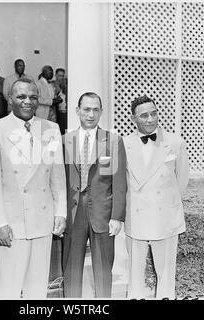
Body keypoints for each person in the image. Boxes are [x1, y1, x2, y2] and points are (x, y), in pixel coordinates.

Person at [0, 78, 67, 299]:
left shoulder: (51, 128)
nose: (28, 101)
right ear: (10, 99)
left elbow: (57, 176)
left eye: (33, 97)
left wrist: (61, 212)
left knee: (37, 290)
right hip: (11, 223)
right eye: (21, 97)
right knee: (7, 288)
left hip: (42, 219)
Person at [123, 95, 189, 299]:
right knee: (134, 273)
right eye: (144, 115)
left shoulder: (175, 142)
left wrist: (169, 205)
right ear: (133, 118)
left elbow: (182, 180)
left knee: (166, 273)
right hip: (137, 215)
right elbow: (117, 182)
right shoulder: (123, 144)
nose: (150, 119)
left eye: (154, 113)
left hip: (165, 216)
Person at [62, 92, 127, 298]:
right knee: (71, 269)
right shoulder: (65, 140)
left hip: (102, 212)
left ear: (101, 112)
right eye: (86, 109)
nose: (91, 114)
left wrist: (117, 216)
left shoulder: (113, 140)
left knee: (103, 269)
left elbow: (119, 182)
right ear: (77, 111)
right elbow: (58, 180)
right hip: (72, 212)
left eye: (95, 110)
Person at [51, 68, 67, 135]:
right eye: (59, 75)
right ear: (56, 75)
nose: (61, 77)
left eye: (62, 76)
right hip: (56, 112)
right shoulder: (52, 84)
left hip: (65, 112)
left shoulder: (66, 85)